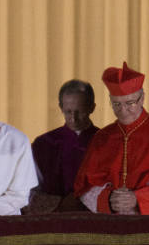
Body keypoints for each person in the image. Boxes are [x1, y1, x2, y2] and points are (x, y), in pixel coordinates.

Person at [73, 62, 149, 215]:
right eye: (116, 104)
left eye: (130, 103)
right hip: (111, 222)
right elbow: (87, 186)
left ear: (142, 98)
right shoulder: (102, 137)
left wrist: (137, 198)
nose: (123, 110)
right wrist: (109, 199)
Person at [25, 79, 98, 214]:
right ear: (60, 107)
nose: (73, 118)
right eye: (68, 111)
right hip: (54, 219)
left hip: (96, 219)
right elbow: (28, 190)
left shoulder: (106, 141)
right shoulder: (44, 144)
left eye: (79, 111)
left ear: (92, 108)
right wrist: (60, 203)